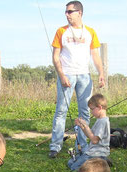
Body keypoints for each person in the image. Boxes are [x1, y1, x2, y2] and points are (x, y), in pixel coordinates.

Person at [49, 1, 105, 159]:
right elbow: (55, 56)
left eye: (70, 11)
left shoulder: (90, 32)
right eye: (66, 12)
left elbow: (95, 55)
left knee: (85, 112)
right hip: (66, 75)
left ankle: (81, 144)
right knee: (61, 111)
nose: (67, 14)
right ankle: (55, 146)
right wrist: (62, 75)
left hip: (84, 76)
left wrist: (101, 72)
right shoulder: (61, 31)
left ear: (79, 13)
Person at [67, 93, 110, 171]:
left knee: (74, 167)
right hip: (92, 152)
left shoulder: (103, 122)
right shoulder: (99, 120)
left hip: (97, 154)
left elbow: (94, 140)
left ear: (99, 107)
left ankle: (100, 163)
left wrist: (86, 126)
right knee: (70, 162)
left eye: (92, 109)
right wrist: (82, 127)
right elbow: (90, 136)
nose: (91, 112)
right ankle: (101, 163)